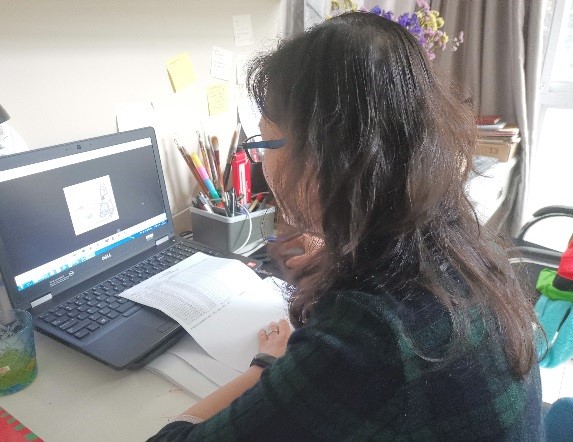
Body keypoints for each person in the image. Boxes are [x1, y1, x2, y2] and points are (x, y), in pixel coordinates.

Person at [149, 11, 542, 440]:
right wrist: (338, 252)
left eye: (266, 142)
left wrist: (264, 367)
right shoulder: (466, 244)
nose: (262, 162)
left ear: (326, 156)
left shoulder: (371, 334)